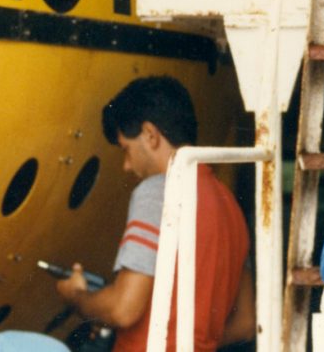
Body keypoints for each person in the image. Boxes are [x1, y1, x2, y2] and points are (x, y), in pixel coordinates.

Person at [55, 77, 253, 352]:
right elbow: (245, 322)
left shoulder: (158, 191)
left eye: (126, 149)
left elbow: (123, 309)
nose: (126, 165)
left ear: (150, 134)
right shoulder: (229, 203)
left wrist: (77, 296)